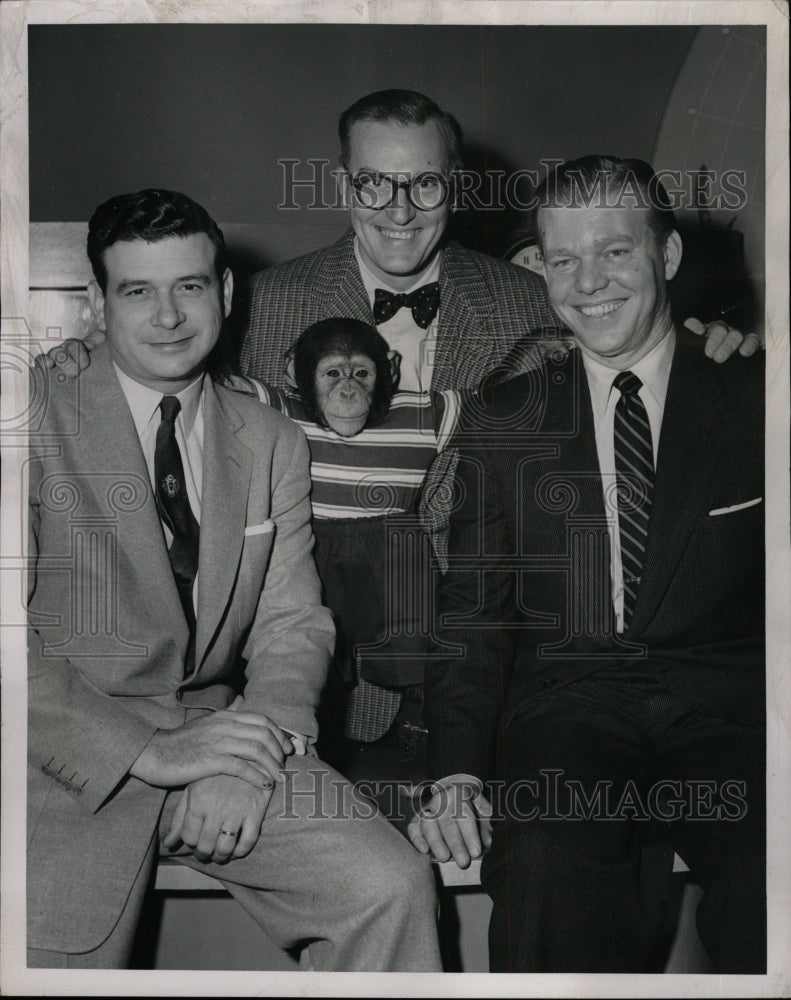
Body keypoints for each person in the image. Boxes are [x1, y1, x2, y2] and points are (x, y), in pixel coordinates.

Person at [42, 89, 758, 748]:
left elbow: (631, 342)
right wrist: (88, 355)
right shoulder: (260, 305)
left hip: (493, 677)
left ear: (455, 183)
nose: (398, 208)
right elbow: (169, 372)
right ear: (342, 183)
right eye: (372, 183)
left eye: (424, 182)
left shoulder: (535, 295)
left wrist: (715, 346)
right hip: (322, 683)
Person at [26, 188, 441, 971]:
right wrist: (149, 754)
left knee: (390, 884)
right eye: (137, 291)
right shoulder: (30, 416)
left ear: (223, 293)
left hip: (222, 736)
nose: (168, 316)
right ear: (96, 303)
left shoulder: (271, 436)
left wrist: (256, 750)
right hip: (57, 749)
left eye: (189, 286)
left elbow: (295, 623)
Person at [409, 156, 765, 974]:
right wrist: (457, 771)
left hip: (733, 717)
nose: (587, 282)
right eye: (562, 258)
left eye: (613, 251)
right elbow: (474, 614)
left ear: (666, 257)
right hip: (568, 711)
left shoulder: (756, 395)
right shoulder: (504, 422)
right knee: (544, 870)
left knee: (772, 880)